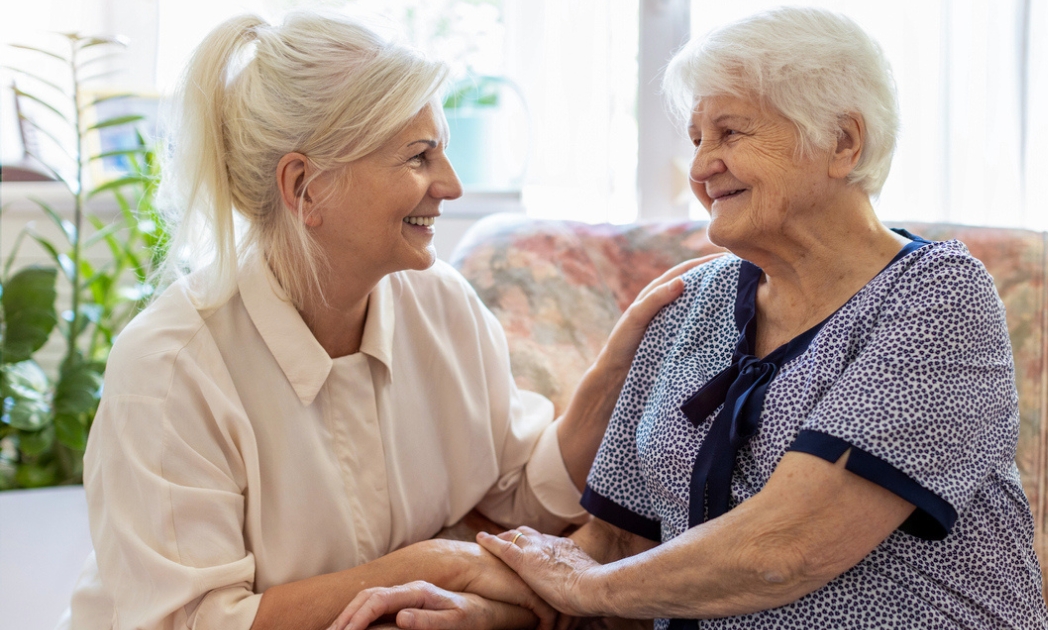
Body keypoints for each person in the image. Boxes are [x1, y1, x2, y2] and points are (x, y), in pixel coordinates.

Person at [337, 6, 1048, 630]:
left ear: (843, 143)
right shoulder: (697, 302)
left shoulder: (938, 300)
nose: (703, 167)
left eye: (732, 132)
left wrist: (586, 588)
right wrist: (478, 603)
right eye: (696, 139)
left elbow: (789, 546)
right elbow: (614, 546)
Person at [58, 11, 711, 630]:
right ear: (305, 188)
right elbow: (194, 621)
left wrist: (616, 369)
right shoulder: (170, 370)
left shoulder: (441, 301)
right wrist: (431, 563)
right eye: (419, 156)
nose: (451, 184)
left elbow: (522, 492)